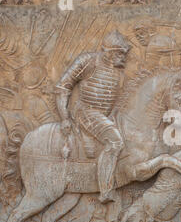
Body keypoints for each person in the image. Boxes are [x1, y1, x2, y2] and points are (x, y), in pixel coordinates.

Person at [54, 30, 131, 204]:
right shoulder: (87, 61)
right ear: (109, 53)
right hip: (85, 112)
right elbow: (63, 87)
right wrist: (64, 116)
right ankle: (105, 190)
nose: (124, 58)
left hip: (104, 116)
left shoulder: (119, 73)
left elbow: (116, 103)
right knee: (115, 142)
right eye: (120, 53)